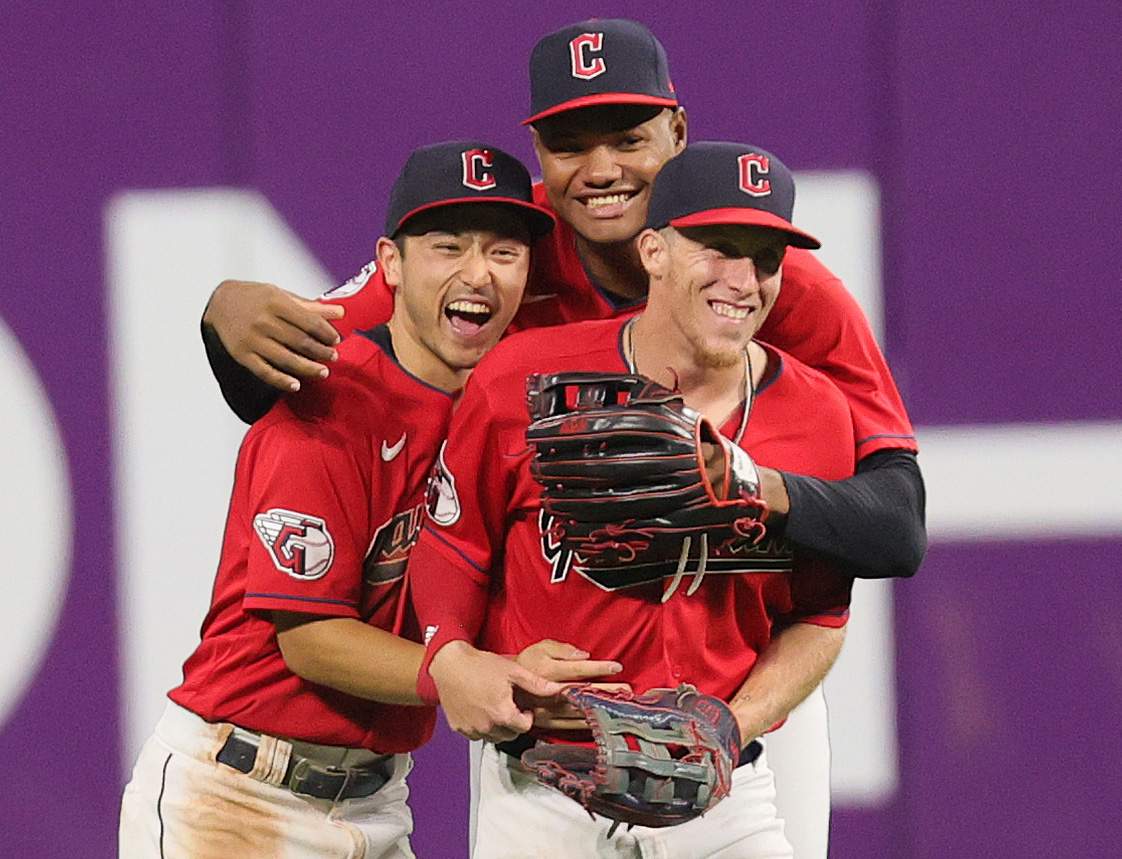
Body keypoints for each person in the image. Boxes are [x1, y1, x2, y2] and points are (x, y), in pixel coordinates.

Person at [196, 19, 926, 856]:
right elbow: (309, 376)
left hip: (738, 711)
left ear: (676, 134)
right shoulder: (512, 248)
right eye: (570, 143)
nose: (602, 169)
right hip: (551, 721)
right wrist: (223, 319)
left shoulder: (776, 288)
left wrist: (754, 485)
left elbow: (895, 521)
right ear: (539, 151)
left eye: (628, 136)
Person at [118, 141, 619, 859]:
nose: (477, 272)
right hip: (237, 796)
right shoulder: (329, 402)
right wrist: (452, 670)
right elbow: (310, 637)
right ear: (391, 264)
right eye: (447, 245)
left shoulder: (506, 415)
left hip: (378, 803)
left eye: (505, 252)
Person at [409, 141, 855, 858]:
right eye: (717, 247)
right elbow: (452, 545)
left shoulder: (819, 417)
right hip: (544, 789)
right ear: (653, 251)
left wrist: (734, 724)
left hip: (724, 799)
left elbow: (821, 616)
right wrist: (451, 655)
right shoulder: (523, 377)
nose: (742, 279)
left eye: (765, 257)